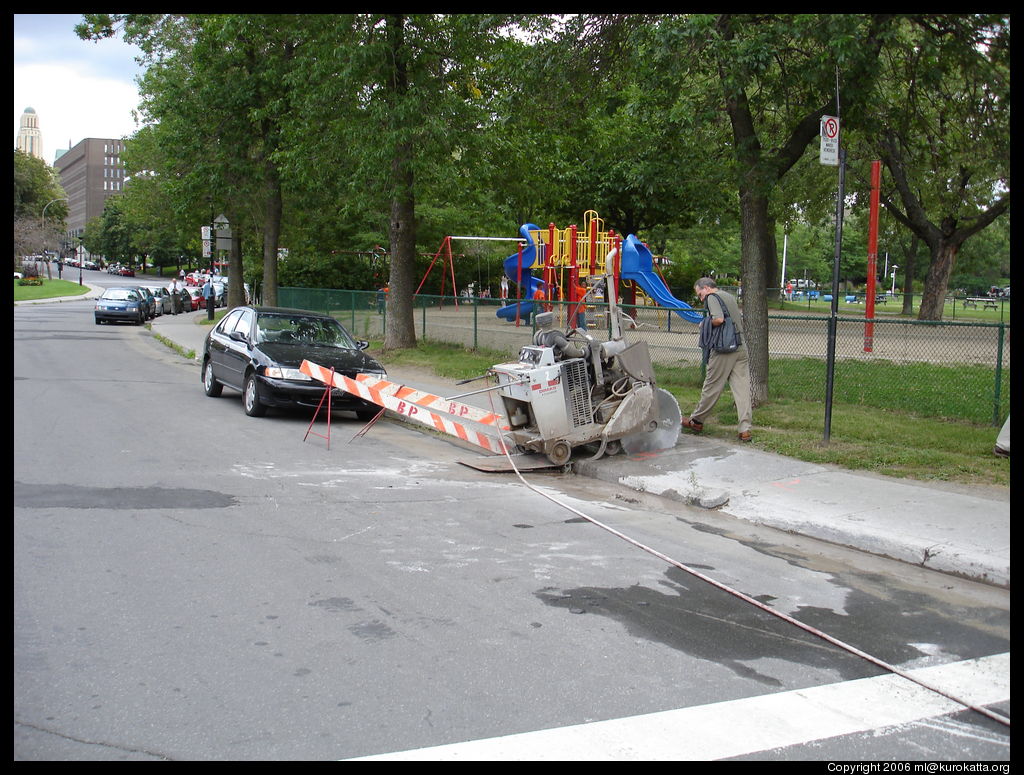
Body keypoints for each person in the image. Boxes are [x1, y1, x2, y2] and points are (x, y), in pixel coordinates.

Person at [681, 277, 753, 442]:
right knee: (742, 389)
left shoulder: (712, 297)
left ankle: (697, 421)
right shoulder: (729, 296)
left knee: (712, 385)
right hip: (740, 346)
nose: (701, 298)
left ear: (706, 288)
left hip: (724, 348)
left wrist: (704, 323)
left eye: (700, 294)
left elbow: (718, 319)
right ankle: (745, 429)